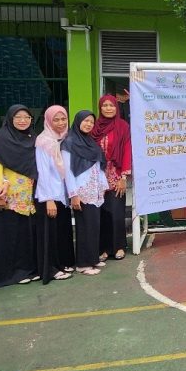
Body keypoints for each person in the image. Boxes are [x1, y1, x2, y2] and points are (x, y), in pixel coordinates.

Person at [0, 104, 39, 287]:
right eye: (18, 117)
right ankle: (8, 275)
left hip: (26, 197)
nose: (23, 121)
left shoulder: (32, 138)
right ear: (10, 119)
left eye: (26, 117)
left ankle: (24, 270)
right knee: (7, 237)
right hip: (7, 197)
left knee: (24, 236)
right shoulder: (2, 139)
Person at [63, 110, 110, 276]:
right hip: (81, 192)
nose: (89, 124)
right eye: (85, 121)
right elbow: (67, 171)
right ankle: (83, 264)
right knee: (84, 227)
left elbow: (98, 166)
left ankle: (93, 258)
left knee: (94, 226)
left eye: (91, 121)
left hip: (94, 190)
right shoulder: (69, 143)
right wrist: (73, 194)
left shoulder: (90, 142)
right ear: (78, 122)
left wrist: (102, 186)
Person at [34, 104, 75, 283]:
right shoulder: (43, 141)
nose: (60, 123)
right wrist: (48, 199)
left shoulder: (67, 138)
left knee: (63, 230)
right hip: (50, 194)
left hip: (64, 193)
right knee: (50, 233)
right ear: (49, 121)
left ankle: (64, 263)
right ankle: (52, 269)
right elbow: (42, 172)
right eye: (56, 120)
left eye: (63, 119)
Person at [92, 94, 132, 262]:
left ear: (116, 107)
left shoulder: (123, 126)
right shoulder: (94, 127)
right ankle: (104, 249)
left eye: (111, 105)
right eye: (105, 105)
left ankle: (119, 246)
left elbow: (127, 150)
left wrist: (123, 177)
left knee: (116, 212)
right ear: (100, 108)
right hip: (97, 176)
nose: (108, 108)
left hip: (116, 174)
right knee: (101, 214)